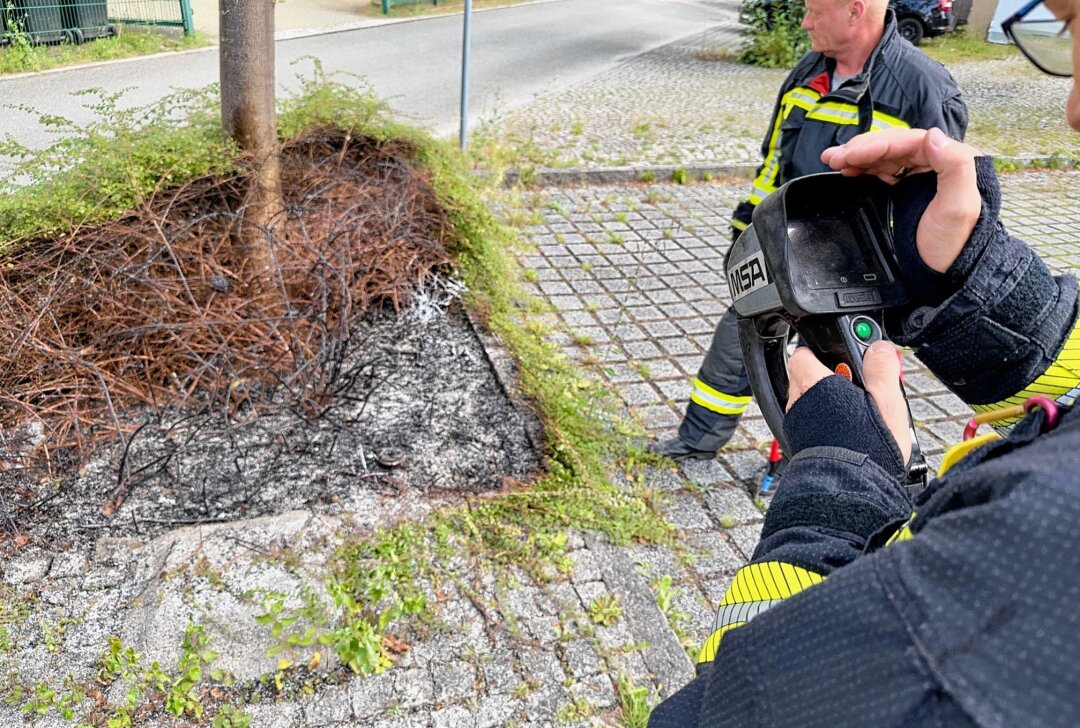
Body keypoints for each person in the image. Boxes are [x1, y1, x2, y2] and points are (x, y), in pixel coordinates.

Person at [648, 0, 1080, 723]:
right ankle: (723, 437)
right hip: (798, 261)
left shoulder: (1034, 553)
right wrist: (969, 273)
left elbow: (740, 702)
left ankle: (793, 457)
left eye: (1069, 29)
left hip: (852, 297)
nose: (1071, 111)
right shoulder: (806, 71)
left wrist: (838, 486)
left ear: (859, 7)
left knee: (838, 396)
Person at [651, 0, 968, 460]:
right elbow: (774, 163)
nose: (804, 22)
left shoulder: (923, 87)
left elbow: (938, 196)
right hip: (781, 252)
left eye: (815, 11)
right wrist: (747, 232)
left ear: (856, 11)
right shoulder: (807, 71)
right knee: (737, 347)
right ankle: (697, 440)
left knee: (843, 380)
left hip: (853, 274)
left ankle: (822, 461)